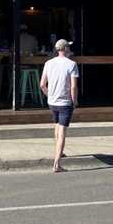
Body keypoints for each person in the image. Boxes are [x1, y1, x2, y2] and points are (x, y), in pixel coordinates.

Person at [40, 39, 79, 173]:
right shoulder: (72, 64)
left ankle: (58, 151)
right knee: (62, 131)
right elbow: (73, 86)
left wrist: (49, 94)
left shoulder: (48, 63)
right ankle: (57, 164)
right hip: (65, 101)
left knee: (57, 125)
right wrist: (75, 101)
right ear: (66, 49)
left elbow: (42, 85)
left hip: (52, 101)